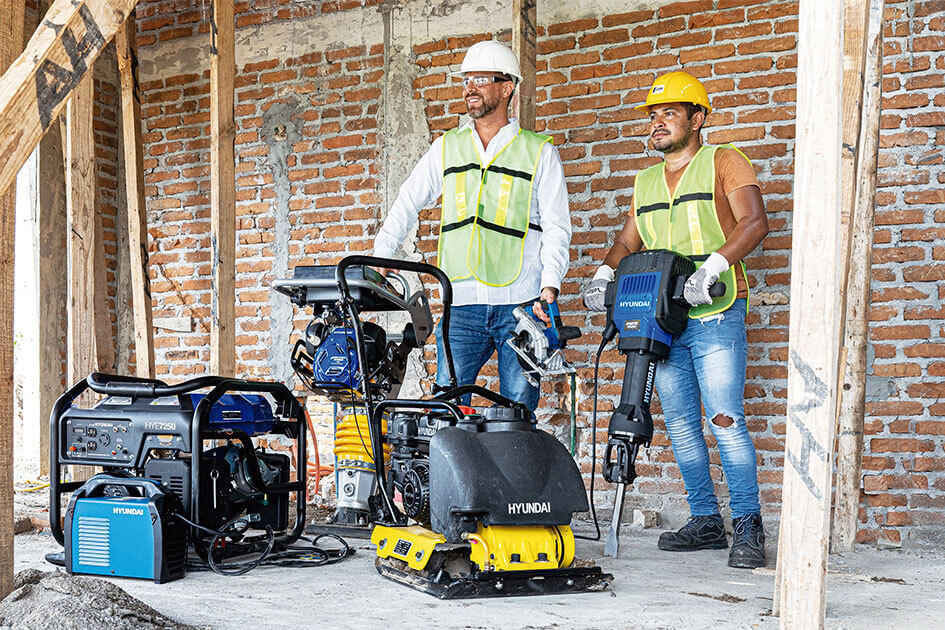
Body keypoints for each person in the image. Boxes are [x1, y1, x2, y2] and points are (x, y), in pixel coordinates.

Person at [583, 71, 769, 568]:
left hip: (716, 314)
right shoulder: (645, 180)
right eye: (652, 114)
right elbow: (629, 240)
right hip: (663, 318)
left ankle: (748, 525)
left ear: (697, 118)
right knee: (683, 426)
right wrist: (605, 272)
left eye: (669, 112)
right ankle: (706, 520)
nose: (657, 121)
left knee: (724, 420)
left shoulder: (724, 162)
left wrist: (714, 266)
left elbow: (755, 222)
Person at [372, 40, 571, 413]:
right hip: (460, 303)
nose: (470, 88)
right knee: (444, 411)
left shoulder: (539, 151)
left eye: (481, 79)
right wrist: (383, 254)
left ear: (507, 86)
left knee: (517, 414)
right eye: (466, 79)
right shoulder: (447, 147)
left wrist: (549, 286)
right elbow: (407, 200)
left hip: (520, 303)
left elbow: (558, 226)